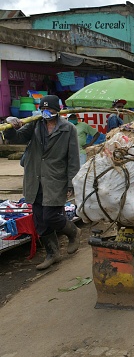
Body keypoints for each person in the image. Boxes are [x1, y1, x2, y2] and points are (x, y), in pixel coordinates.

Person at [4, 95, 81, 270]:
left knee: (51, 216)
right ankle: (53, 253)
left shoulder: (68, 129)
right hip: (35, 178)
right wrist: (11, 127)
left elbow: (73, 158)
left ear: (57, 111)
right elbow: (17, 138)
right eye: (43, 109)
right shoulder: (35, 125)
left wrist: (71, 183)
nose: (46, 113)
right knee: (39, 220)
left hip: (55, 179)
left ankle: (74, 232)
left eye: (50, 110)